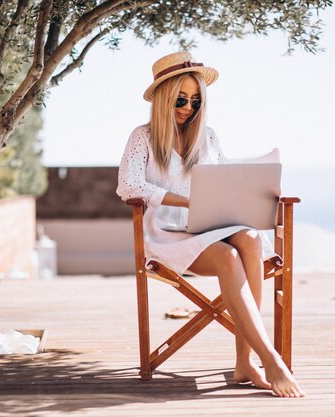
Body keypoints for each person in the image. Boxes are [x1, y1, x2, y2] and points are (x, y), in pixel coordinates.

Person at [116, 51, 305, 398]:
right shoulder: (142, 137)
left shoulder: (209, 137)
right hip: (167, 235)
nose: (189, 107)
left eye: (197, 100)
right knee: (228, 258)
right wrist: (185, 199)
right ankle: (269, 359)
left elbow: (224, 179)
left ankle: (245, 362)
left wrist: (255, 190)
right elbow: (128, 186)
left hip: (208, 225)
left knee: (249, 238)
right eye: (181, 99)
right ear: (163, 98)